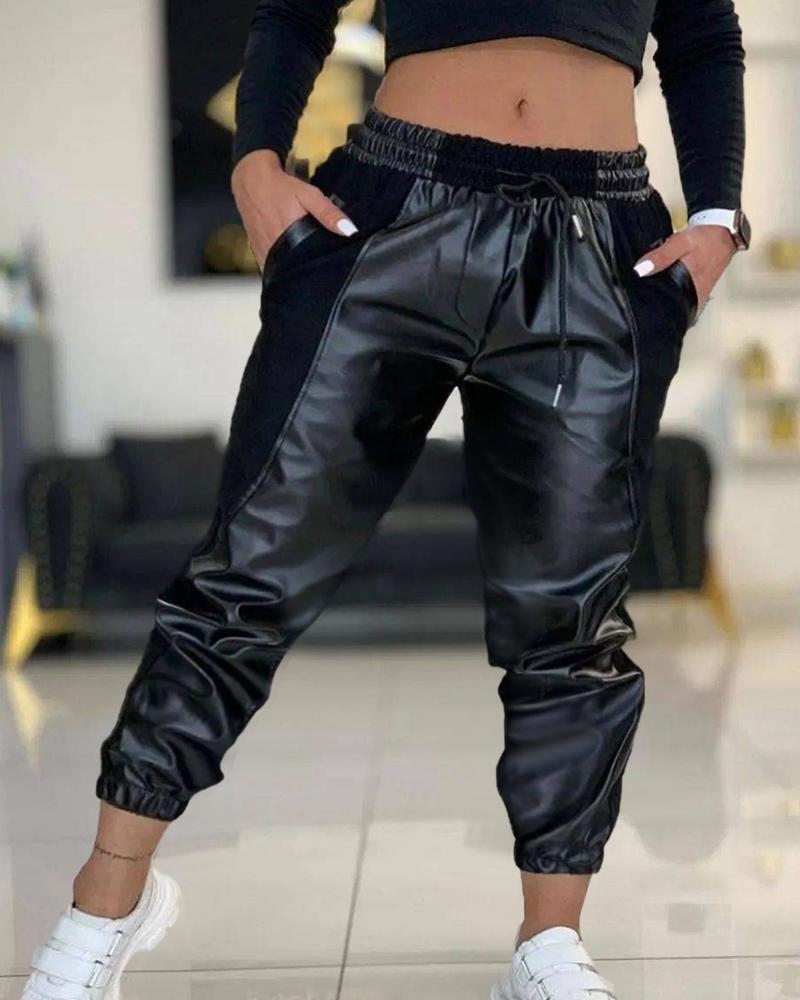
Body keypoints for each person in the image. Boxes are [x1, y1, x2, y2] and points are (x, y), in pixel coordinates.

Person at [22, 1, 749, 997]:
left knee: (569, 621)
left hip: (599, 238)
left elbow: (702, 36)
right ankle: (103, 904)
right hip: (395, 211)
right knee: (247, 577)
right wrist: (255, 162)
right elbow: (292, 11)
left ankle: (548, 947)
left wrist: (715, 218)